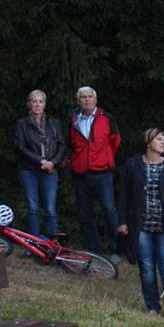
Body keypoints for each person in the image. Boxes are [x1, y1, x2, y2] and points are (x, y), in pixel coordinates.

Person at [117, 128, 164, 318]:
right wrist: (122, 221)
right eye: (159, 139)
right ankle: (153, 306)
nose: (163, 142)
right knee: (147, 268)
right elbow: (124, 196)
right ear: (148, 143)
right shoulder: (133, 165)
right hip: (142, 226)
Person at [68, 86, 122, 261]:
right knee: (85, 214)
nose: (86, 99)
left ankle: (116, 249)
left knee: (109, 210)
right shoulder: (74, 119)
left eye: (90, 96)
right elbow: (72, 144)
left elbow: (115, 141)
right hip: (81, 174)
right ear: (78, 101)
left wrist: (104, 158)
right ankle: (95, 251)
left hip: (102, 173)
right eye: (83, 97)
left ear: (95, 100)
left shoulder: (106, 118)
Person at [14, 89, 65, 238]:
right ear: (29, 104)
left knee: (50, 208)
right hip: (28, 170)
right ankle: (33, 242)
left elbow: (61, 145)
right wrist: (41, 160)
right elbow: (20, 147)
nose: (37, 104)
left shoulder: (53, 123)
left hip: (50, 170)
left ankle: (52, 243)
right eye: (34, 101)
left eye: (40, 101)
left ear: (45, 104)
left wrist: (53, 163)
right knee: (33, 208)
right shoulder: (22, 124)